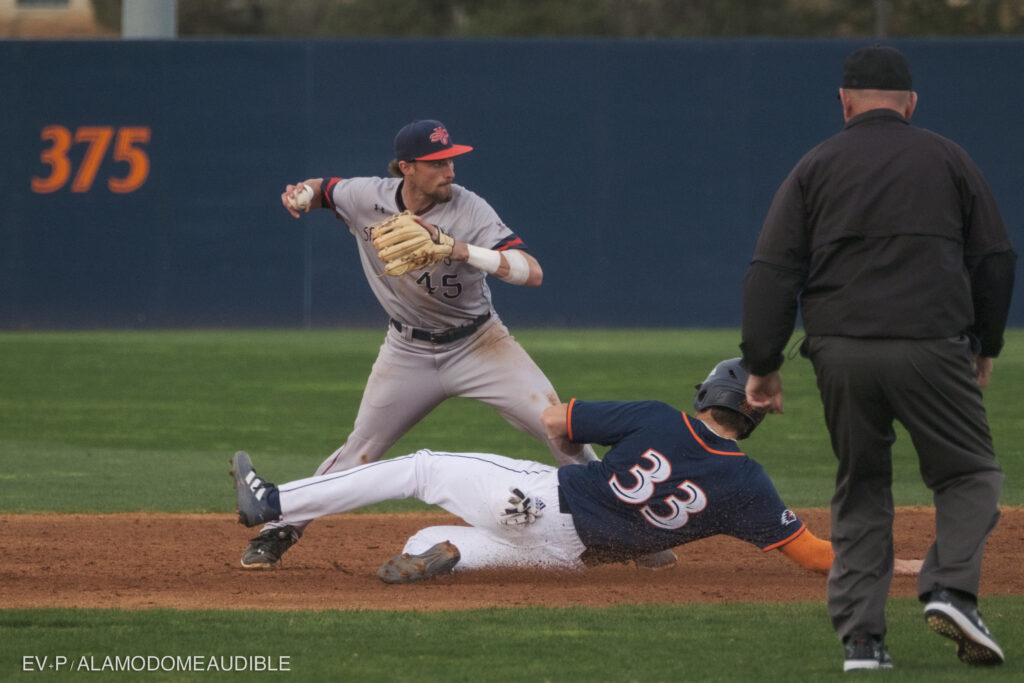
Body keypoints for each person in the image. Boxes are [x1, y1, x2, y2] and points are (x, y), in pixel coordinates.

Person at [740, 45, 1015, 671]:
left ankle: (863, 642)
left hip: (840, 352)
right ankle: (949, 589)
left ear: (845, 102)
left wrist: (763, 364)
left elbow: (772, 272)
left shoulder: (816, 164)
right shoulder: (948, 158)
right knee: (970, 475)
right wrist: (987, 343)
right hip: (930, 343)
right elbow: (995, 258)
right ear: (911, 103)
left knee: (861, 487)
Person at [240, 119, 603, 570]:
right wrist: (301, 196)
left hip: (480, 344)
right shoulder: (366, 196)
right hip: (407, 351)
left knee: (558, 427)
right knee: (360, 451)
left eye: (451, 159)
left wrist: (458, 249)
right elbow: (324, 190)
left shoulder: (470, 210)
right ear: (406, 168)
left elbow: (532, 271)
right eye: (436, 163)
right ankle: (280, 529)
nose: (449, 170)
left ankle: (618, 515)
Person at [231, 358, 923, 582]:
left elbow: (558, 422)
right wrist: (897, 565)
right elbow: (809, 555)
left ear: (707, 395)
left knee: (419, 466)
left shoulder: (658, 418)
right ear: (753, 419)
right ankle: (437, 553)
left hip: (540, 497)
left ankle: (276, 501)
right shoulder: (748, 484)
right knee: (435, 535)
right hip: (574, 554)